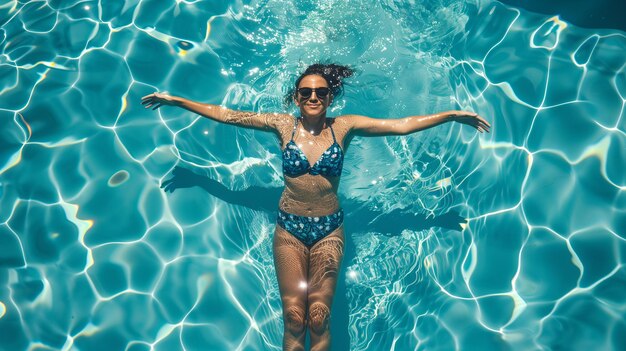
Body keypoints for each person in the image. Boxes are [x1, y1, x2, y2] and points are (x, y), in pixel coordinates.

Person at [141, 63, 490, 351]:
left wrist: (449, 115)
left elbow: (399, 126)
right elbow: (228, 115)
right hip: (289, 230)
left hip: (328, 232)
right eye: (305, 92)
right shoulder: (282, 125)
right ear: (296, 96)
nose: (312, 97)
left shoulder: (345, 126)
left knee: (319, 316)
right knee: (294, 317)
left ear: (330, 96)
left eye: (321, 92)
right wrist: (177, 101)